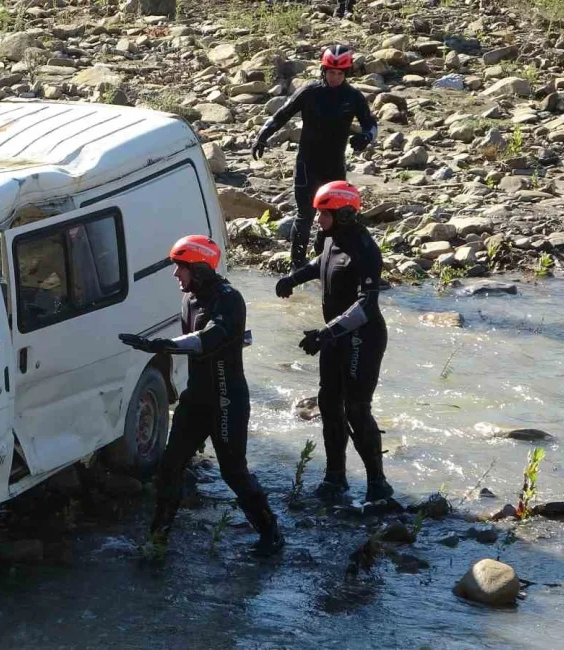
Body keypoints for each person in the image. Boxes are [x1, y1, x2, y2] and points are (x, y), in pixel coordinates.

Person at [119, 235, 284, 557]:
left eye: (181, 268)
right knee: (169, 467)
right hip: (197, 397)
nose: (175, 275)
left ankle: (271, 534)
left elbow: (210, 338)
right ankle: (157, 541)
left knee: (233, 472)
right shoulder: (189, 298)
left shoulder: (230, 299)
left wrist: (162, 345)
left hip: (226, 399)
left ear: (200, 268)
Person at [273, 181, 393, 505]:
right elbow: (323, 263)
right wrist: (293, 279)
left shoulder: (365, 249)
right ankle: (335, 478)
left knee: (356, 409)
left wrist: (326, 333)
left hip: (361, 339)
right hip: (335, 337)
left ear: (342, 213)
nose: (316, 220)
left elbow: (366, 306)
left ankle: (378, 485)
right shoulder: (331, 239)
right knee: (329, 405)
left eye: (322, 213)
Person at [251, 43, 378, 271]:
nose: (335, 77)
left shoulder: (353, 97)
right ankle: (297, 266)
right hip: (307, 164)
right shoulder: (310, 92)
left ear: (346, 73)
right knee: (306, 214)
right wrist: (263, 135)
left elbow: (371, 124)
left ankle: (327, 262)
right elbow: (282, 114)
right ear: (323, 70)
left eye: (340, 73)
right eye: (331, 72)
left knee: (336, 216)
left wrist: (366, 138)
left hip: (334, 166)